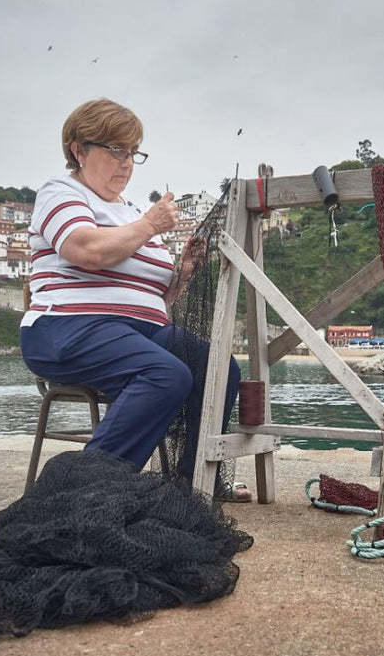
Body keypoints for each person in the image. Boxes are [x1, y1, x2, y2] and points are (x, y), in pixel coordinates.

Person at [20, 98, 247, 501]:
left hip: (139, 330)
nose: (126, 162)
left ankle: (193, 482)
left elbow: (157, 295)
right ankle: (88, 491)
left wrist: (183, 273)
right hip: (66, 329)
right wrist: (150, 225)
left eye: (132, 152)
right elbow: (88, 251)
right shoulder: (61, 192)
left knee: (218, 368)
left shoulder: (135, 211)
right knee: (167, 374)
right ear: (78, 150)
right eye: (115, 150)